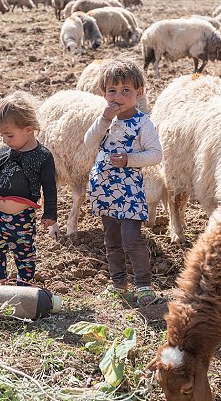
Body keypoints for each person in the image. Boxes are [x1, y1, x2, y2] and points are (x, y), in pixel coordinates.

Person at [83, 57, 163, 307]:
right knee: (111, 237)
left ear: (138, 93)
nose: (118, 96)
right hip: (105, 187)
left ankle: (144, 285)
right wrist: (104, 119)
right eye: (112, 91)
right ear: (103, 93)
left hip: (128, 188)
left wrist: (129, 159)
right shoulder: (105, 119)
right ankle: (118, 282)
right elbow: (89, 142)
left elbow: (156, 154)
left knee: (132, 237)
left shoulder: (143, 123)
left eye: (125, 90)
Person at [0, 91, 57, 287]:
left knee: (24, 253)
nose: (5, 140)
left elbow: (50, 188)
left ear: (29, 129)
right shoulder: (4, 152)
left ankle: (25, 285)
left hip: (22, 218)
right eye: (2, 135)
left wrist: (50, 213)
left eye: (9, 135)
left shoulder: (42, 156)